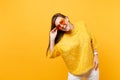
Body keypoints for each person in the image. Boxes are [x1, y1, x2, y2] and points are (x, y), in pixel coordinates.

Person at [46, 13, 99, 80]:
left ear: (66, 18)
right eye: (58, 26)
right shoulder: (61, 41)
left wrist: (96, 55)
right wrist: (52, 39)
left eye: (62, 22)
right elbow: (52, 54)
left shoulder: (82, 25)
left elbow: (92, 39)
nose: (62, 26)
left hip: (92, 68)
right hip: (74, 73)